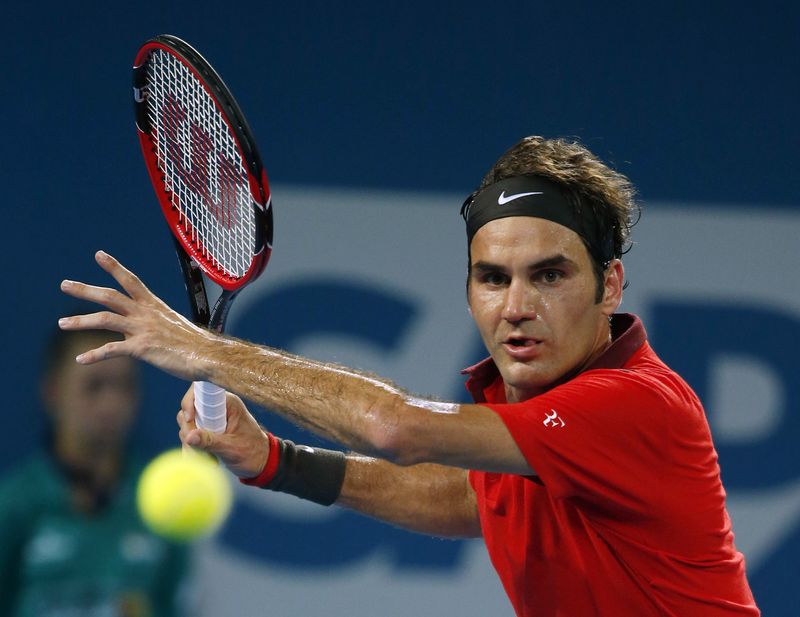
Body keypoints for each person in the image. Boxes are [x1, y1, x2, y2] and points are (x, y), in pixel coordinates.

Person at [59, 136, 760, 615]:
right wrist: (276, 460)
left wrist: (203, 351)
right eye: (493, 277)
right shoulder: (530, 422)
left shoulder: (635, 402)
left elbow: (395, 428)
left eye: (550, 274)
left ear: (611, 286)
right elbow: (470, 501)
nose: (516, 306)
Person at [0, 324, 191, 617]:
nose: (111, 404)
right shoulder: (12, 505)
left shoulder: (164, 507)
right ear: (53, 392)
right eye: (94, 386)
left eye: (124, 385)